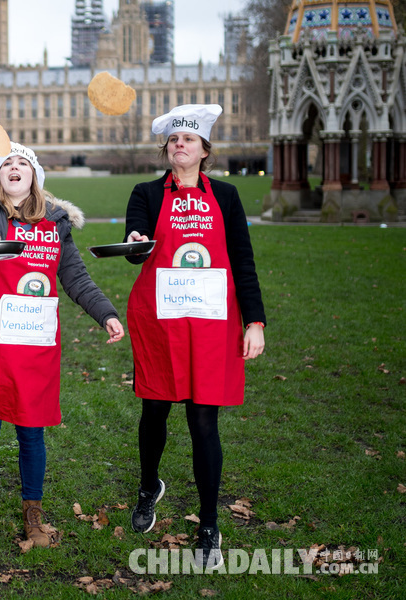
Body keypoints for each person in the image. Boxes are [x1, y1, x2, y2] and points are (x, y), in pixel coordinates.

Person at [0, 142, 125, 547]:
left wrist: (107, 313)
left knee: (32, 431)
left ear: (35, 176)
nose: (14, 169)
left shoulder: (56, 221)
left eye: (22, 164)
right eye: (6, 165)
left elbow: (76, 278)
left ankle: (33, 511)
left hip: (34, 341)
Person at [123, 104, 266, 570]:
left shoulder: (225, 196)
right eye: (173, 140)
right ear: (166, 150)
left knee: (204, 422)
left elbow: (242, 260)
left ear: (204, 151)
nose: (179, 145)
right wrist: (137, 240)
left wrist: (255, 322)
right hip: (161, 320)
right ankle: (149, 487)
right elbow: (133, 249)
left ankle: (208, 523)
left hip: (210, 322)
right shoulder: (145, 193)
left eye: (188, 140)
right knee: (155, 410)